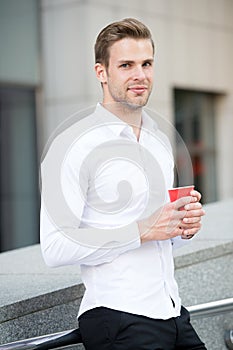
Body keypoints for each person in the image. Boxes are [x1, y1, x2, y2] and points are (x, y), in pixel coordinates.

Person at [40, 18, 207, 349]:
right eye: (126, 65)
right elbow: (55, 247)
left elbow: (162, 234)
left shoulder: (158, 141)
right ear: (101, 72)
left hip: (172, 312)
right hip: (118, 318)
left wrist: (183, 227)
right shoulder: (71, 146)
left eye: (146, 64)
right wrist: (141, 230)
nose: (140, 75)